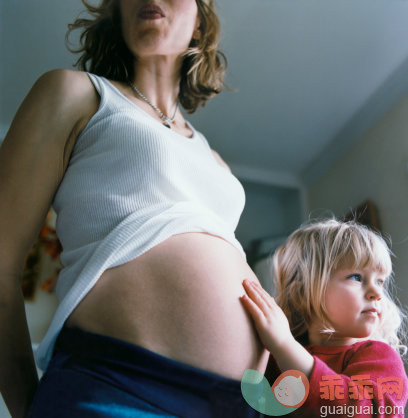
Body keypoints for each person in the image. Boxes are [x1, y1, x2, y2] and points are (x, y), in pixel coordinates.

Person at [0, 0, 269, 417]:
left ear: (200, 24)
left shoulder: (216, 161)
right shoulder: (76, 94)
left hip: (236, 403)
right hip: (113, 385)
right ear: (118, 15)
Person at [241, 219, 408, 417]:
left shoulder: (381, 357)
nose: (377, 293)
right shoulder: (274, 359)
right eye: (356, 277)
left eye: (380, 281)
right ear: (302, 294)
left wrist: (285, 345)